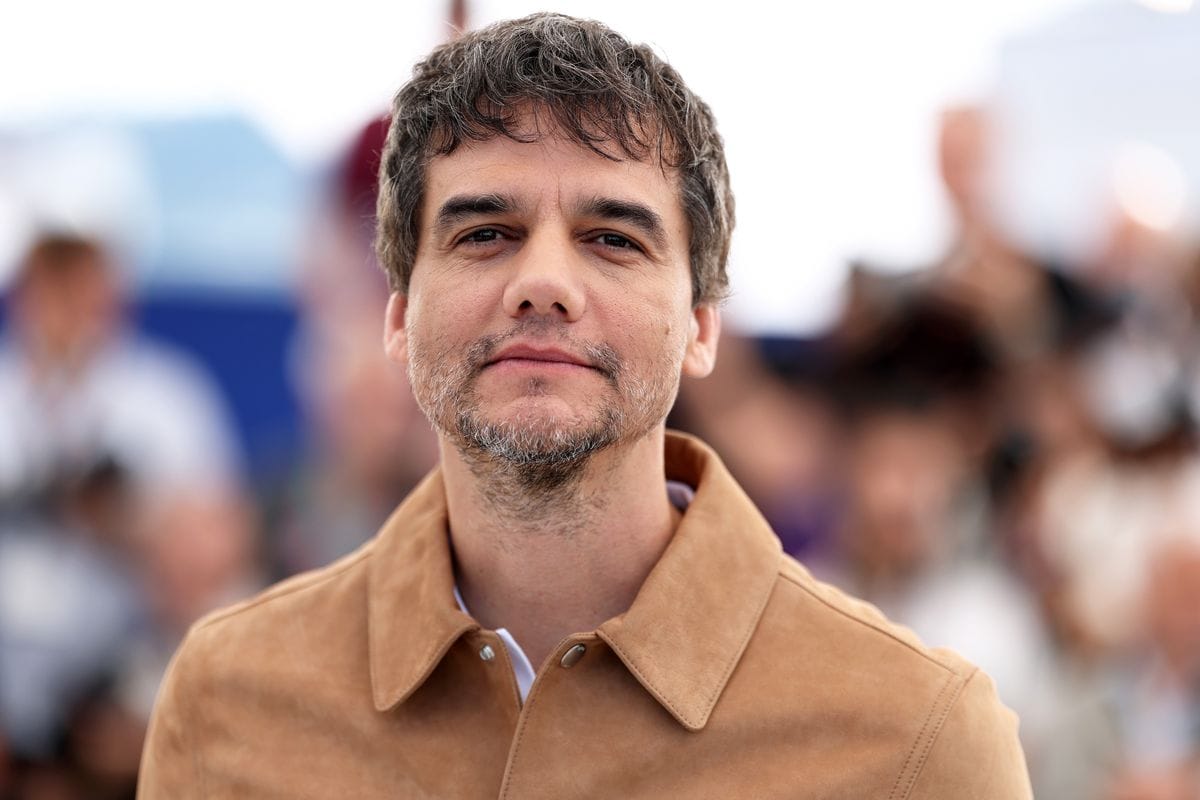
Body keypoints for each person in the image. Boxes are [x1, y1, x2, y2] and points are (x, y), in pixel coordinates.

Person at [138, 13, 1031, 798]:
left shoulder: (921, 740)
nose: (544, 282)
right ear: (399, 315)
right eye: (485, 233)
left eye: (612, 239)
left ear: (702, 328)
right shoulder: (226, 702)